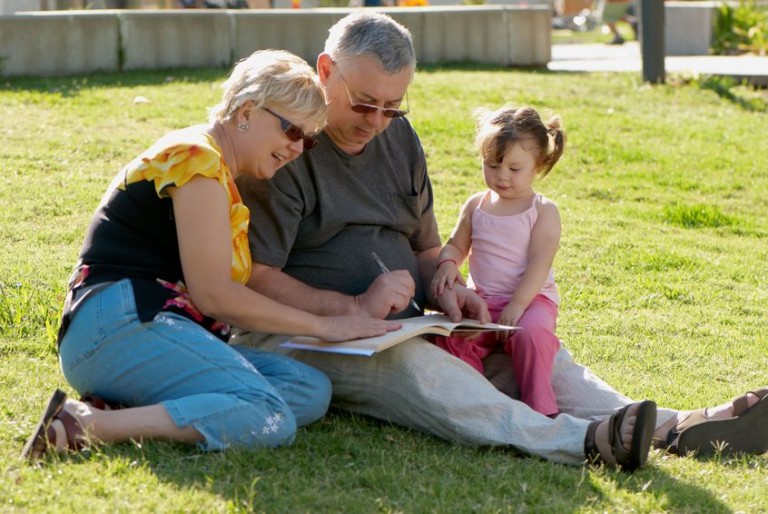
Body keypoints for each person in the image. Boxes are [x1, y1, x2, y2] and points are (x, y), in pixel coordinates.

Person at [233, 11, 768, 468]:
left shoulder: (399, 137)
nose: (376, 122)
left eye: (392, 107)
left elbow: (423, 247)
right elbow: (254, 279)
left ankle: (676, 429)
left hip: (403, 323)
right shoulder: (284, 146)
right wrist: (350, 308)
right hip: (310, 334)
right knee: (420, 370)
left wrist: (448, 286)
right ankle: (579, 442)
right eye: (363, 103)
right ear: (326, 70)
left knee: (529, 351)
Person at [21, 49, 401, 461]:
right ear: (247, 110)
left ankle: (128, 408)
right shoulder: (197, 159)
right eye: (293, 131)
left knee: (308, 390)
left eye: (308, 140)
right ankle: (87, 423)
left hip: (147, 328)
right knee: (269, 410)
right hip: (117, 326)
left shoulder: (216, 171)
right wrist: (323, 324)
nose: (298, 149)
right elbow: (214, 295)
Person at [430, 105, 566, 418]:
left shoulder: (543, 211)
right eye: (492, 165)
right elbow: (455, 245)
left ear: (539, 165)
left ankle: (542, 408)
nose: (501, 176)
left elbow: (538, 265)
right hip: (483, 302)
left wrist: (518, 305)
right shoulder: (476, 205)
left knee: (532, 336)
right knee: (452, 338)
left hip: (532, 300)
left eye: (514, 169)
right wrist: (448, 263)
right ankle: (476, 401)